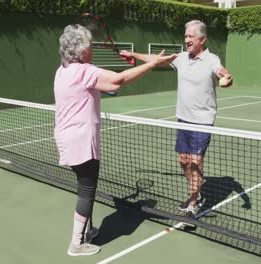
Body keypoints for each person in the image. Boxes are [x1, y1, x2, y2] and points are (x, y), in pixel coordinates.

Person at [54, 24, 176, 256]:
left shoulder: (63, 70)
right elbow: (117, 81)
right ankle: (77, 243)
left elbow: (104, 82)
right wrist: (151, 64)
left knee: (84, 186)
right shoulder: (83, 71)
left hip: (65, 137)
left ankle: (86, 232)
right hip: (81, 140)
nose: (91, 48)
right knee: (87, 190)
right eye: (89, 45)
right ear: (81, 50)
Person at [119, 20, 233, 216]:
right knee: (184, 162)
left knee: (196, 162)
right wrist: (133, 55)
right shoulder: (181, 57)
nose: (187, 39)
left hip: (203, 122)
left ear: (202, 39)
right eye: (186, 35)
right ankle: (195, 194)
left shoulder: (212, 59)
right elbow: (156, 60)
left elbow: (222, 72)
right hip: (183, 119)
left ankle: (192, 204)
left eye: (191, 36)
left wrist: (227, 77)